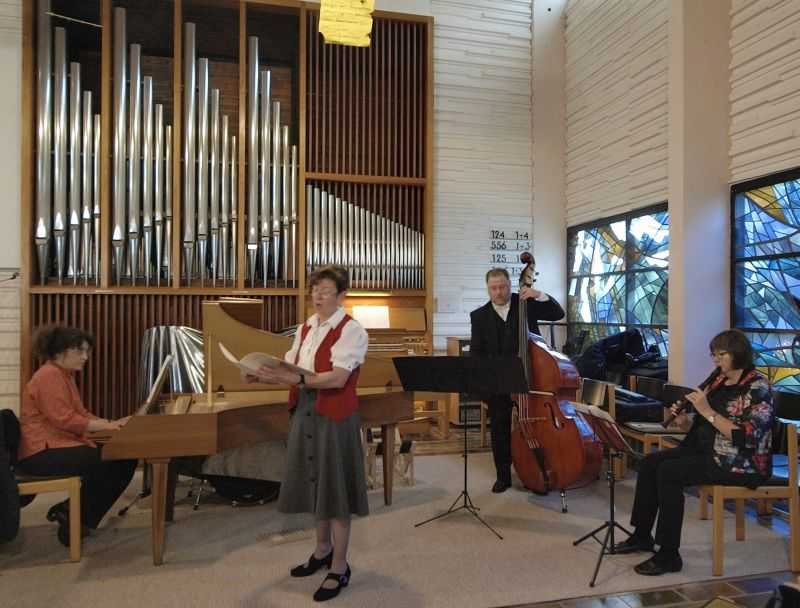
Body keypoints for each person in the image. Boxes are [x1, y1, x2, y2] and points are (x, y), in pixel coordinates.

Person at [250, 265, 369, 602]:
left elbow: (337, 378)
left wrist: (296, 380)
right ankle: (321, 551)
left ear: (341, 295)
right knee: (316, 485)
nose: (317, 295)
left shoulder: (352, 331)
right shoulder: (306, 327)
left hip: (334, 416)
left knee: (336, 490)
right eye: (314, 289)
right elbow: (290, 365)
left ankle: (340, 566)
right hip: (305, 412)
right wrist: (261, 374)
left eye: (325, 290)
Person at [613, 329, 773, 575]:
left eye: (722, 355)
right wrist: (685, 420)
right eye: (714, 355)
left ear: (738, 354)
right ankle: (642, 535)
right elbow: (704, 424)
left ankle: (668, 555)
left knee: (669, 472)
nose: (716, 360)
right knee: (649, 463)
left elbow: (746, 436)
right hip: (703, 449)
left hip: (739, 461)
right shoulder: (719, 380)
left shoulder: (758, 387)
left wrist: (706, 409)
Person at [16, 326, 136, 547]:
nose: (85, 357)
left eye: (87, 351)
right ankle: (74, 514)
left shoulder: (64, 375)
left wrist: (110, 424)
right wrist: (108, 426)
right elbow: (65, 419)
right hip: (41, 452)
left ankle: (75, 514)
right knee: (117, 457)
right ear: (60, 351)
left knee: (122, 457)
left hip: (56, 445)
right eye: (80, 351)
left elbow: (80, 414)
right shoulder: (49, 375)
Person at [469, 267, 566, 493]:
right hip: (499, 381)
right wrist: (483, 387)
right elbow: (477, 353)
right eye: (493, 288)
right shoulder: (479, 316)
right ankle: (503, 476)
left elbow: (557, 313)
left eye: (502, 286)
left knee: (537, 425)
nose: (499, 292)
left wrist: (539, 295)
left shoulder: (526, 303)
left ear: (509, 285)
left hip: (531, 379)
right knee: (500, 429)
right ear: (488, 289)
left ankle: (540, 469)